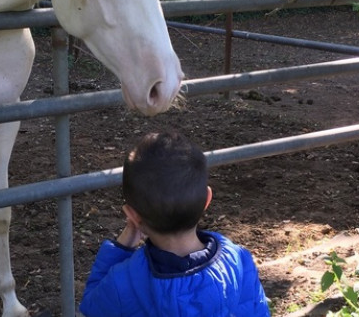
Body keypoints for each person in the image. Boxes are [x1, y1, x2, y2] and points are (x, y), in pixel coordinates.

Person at [79, 131, 270, 317]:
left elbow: (91, 305)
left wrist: (120, 248)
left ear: (133, 216)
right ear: (207, 199)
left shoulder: (122, 282)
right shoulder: (239, 260)